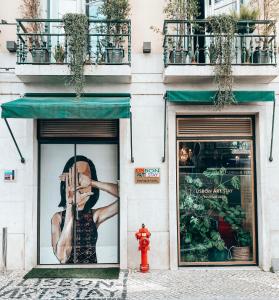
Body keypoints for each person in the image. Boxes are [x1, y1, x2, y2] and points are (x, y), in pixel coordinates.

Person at [51, 155, 118, 264]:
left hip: (93, 273)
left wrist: (92, 182)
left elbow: (124, 194)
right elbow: (62, 257)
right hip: (67, 277)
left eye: (84, 178)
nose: (80, 185)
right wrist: (70, 205)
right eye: (75, 178)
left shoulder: (95, 215)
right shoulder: (57, 218)